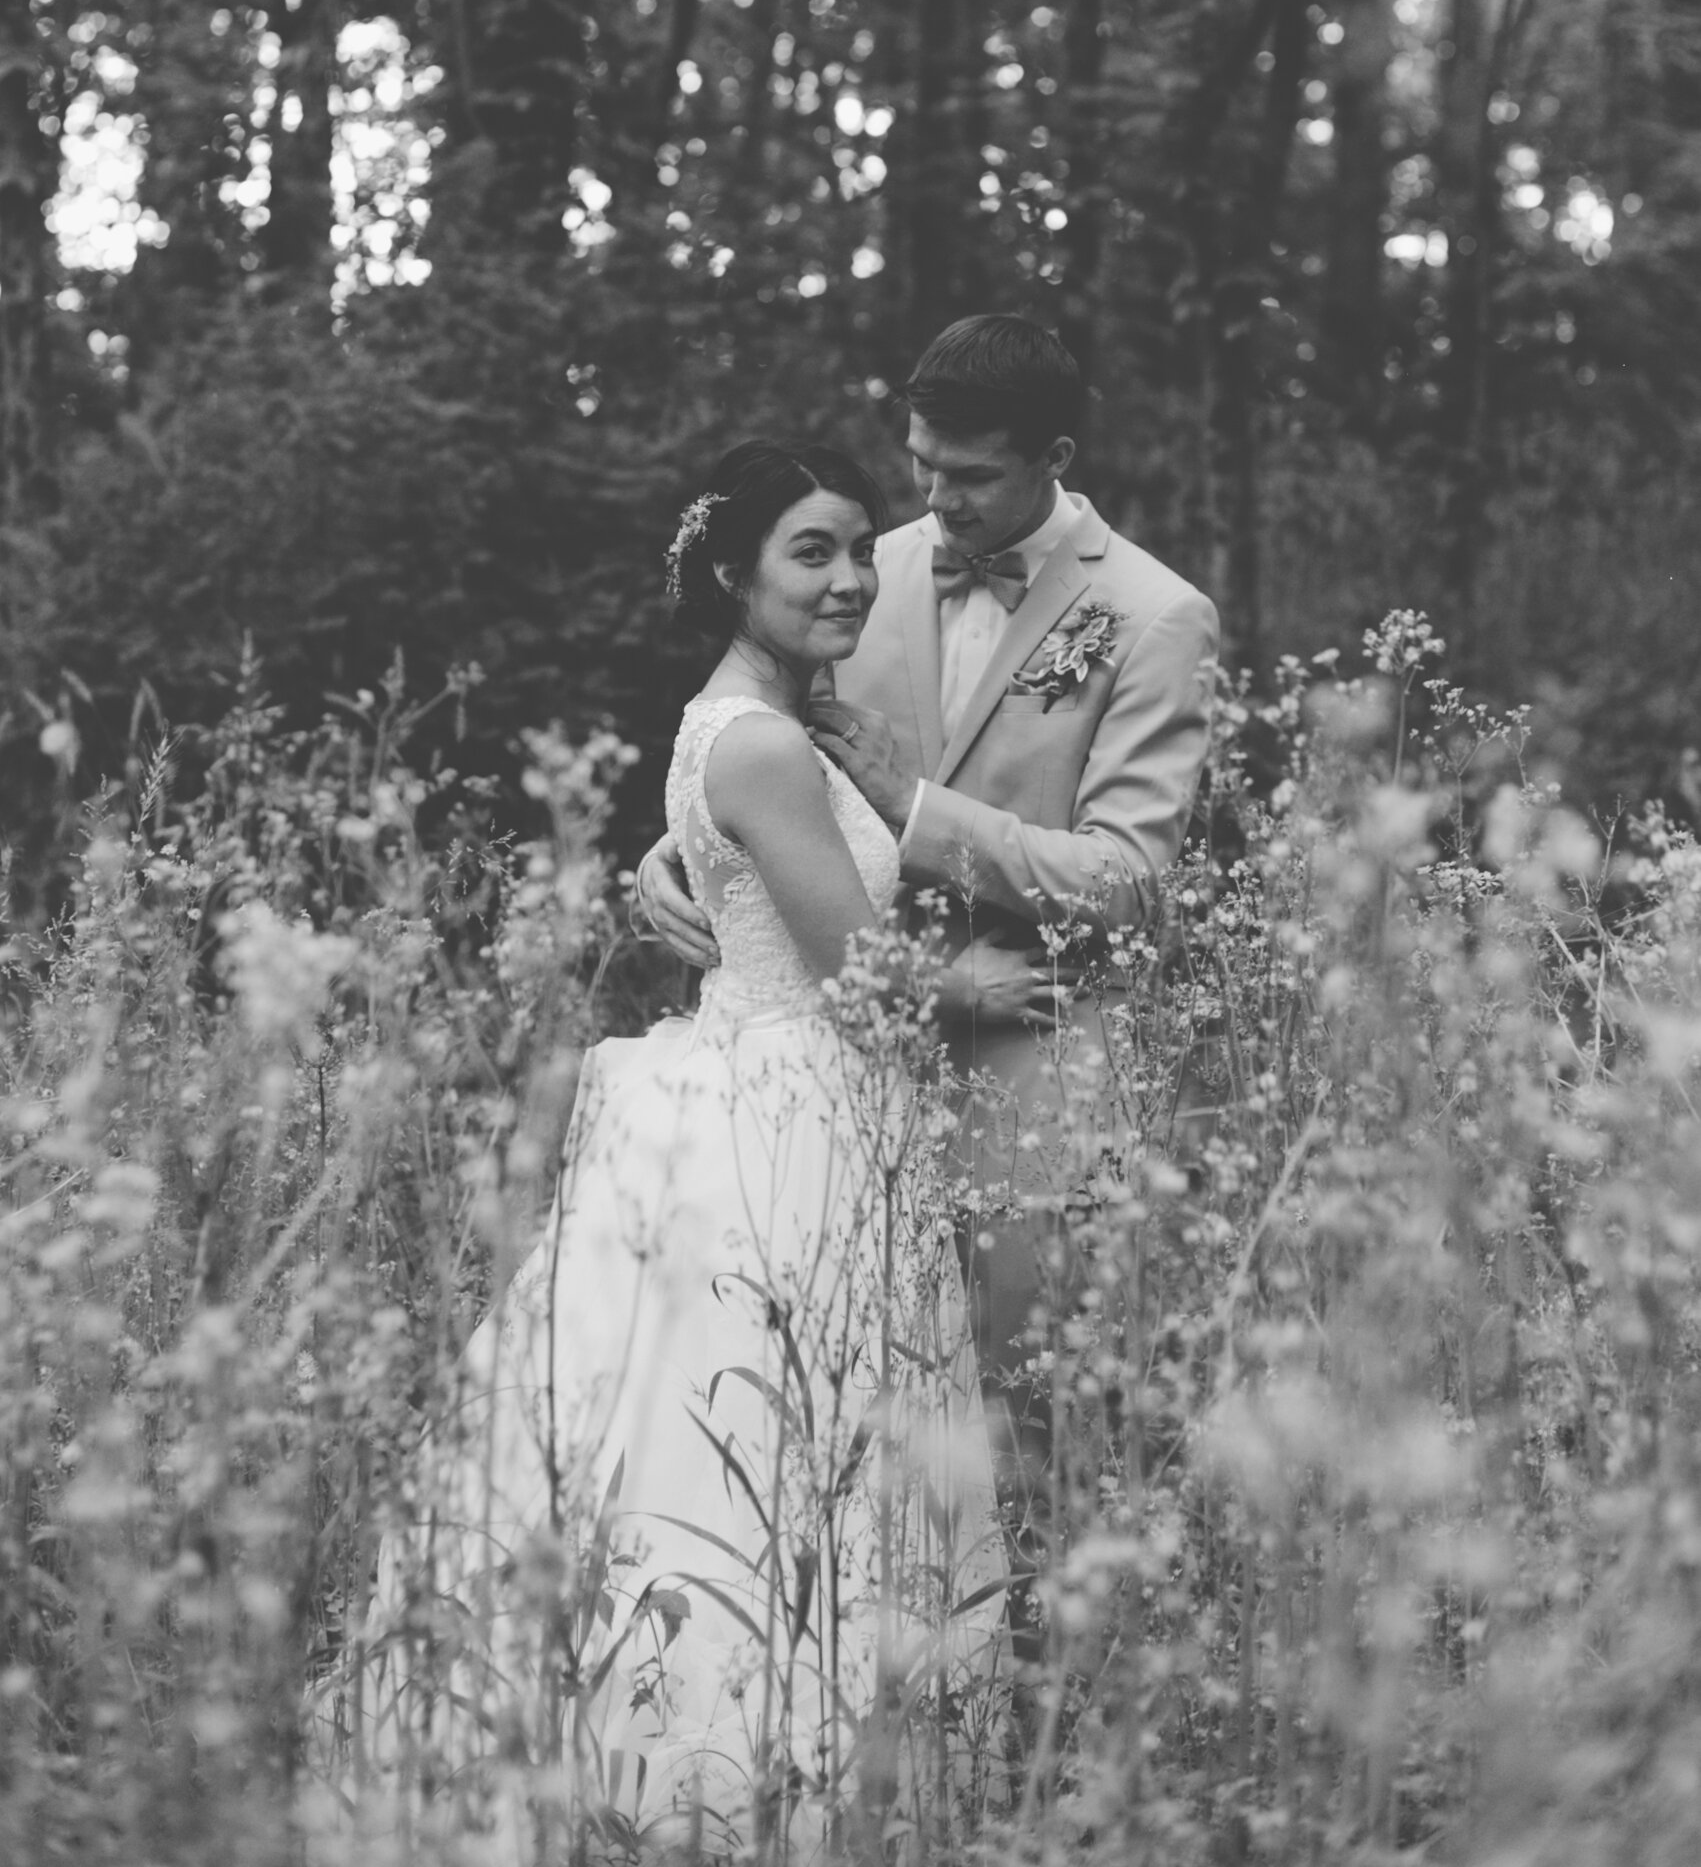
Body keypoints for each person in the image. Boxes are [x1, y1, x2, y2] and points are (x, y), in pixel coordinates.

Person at [317, 442, 1029, 1860]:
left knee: (762, 1437)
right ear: (731, 574)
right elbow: (859, 977)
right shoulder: (761, 738)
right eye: (808, 553)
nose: (846, 576)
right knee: (773, 1437)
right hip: (796, 1107)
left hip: (772, 1080)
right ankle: (735, 1778)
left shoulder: (757, 717)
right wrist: (978, 989)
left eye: (855, 548)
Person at [637, 319, 1218, 1576]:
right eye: (921, 467)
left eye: (969, 477)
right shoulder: (860, 563)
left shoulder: (1155, 617)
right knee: (828, 1437)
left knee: (1020, 1438)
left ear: (1055, 457)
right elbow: (749, 757)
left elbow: (1130, 883)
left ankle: (1028, 1737)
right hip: (834, 1104)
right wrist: (668, 859)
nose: (933, 505)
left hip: (1030, 1077)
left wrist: (919, 810)